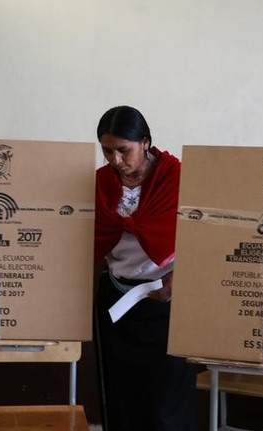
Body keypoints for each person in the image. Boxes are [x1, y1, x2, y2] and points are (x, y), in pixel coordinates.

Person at [93, 105, 198, 431]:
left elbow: (205, 237)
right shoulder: (98, 182)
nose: (116, 161)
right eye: (107, 151)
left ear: (146, 142)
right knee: (122, 399)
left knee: (165, 408)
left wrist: (182, 278)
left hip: (167, 302)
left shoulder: (179, 179)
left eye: (124, 150)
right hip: (117, 304)